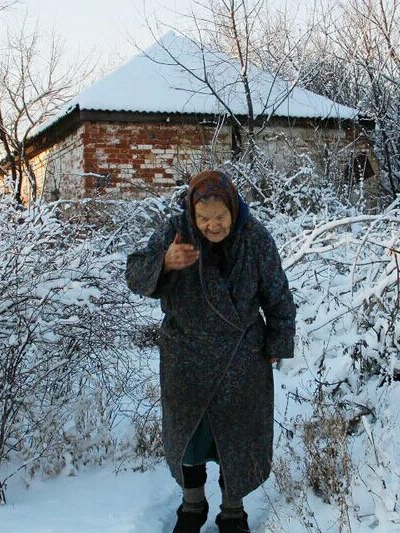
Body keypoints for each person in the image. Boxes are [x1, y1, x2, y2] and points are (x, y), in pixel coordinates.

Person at [125, 169, 296, 533]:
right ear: (192, 212)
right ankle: (193, 505)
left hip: (241, 356)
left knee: (236, 438)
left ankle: (233, 510)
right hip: (185, 355)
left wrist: (277, 343)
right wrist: (165, 262)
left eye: (220, 217)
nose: (212, 226)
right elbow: (134, 275)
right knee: (189, 437)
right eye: (204, 218)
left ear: (234, 209)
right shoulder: (176, 231)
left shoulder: (255, 238)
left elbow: (278, 293)